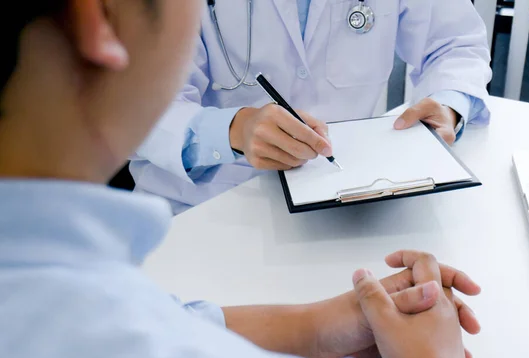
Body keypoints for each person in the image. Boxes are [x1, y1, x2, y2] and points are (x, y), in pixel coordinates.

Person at [0, 1, 481, 358]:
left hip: (347, 221)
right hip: (204, 218)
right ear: (99, 20)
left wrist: (317, 327)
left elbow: (456, 43)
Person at [131, 0, 493, 213]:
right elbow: (134, 102)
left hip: (345, 197)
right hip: (207, 205)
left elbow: (455, 44)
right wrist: (232, 131)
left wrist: (448, 105)